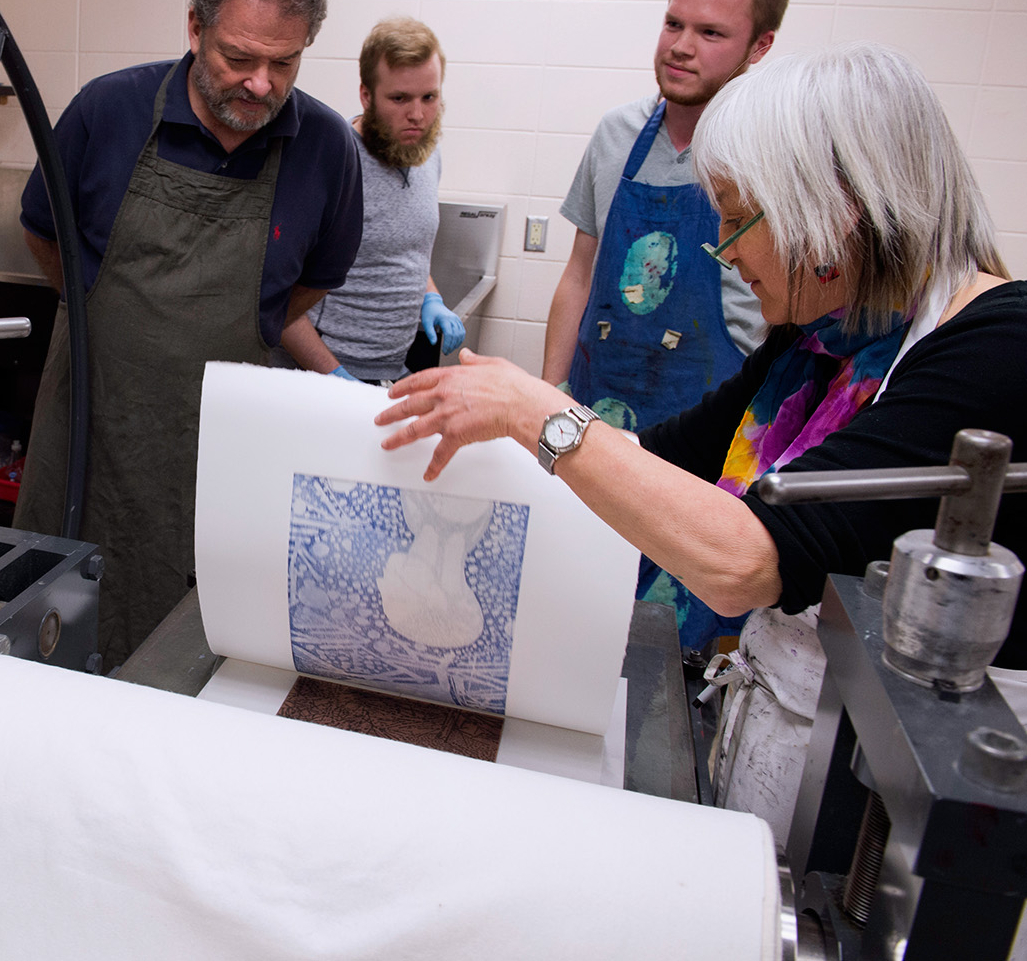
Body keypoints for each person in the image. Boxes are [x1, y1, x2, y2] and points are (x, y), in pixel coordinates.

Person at [376, 42, 1024, 845]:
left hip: (901, 805)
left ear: (835, 210)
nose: (724, 247)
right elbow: (655, 455)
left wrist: (540, 415)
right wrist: (496, 439)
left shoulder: (997, 346)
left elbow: (748, 563)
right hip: (791, 734)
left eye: (738, 216)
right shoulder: (822, 341)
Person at [14, 0, 363, 669]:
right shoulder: (105, 114)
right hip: (90, 446)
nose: (261, 84)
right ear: (195, 26)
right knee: (57, 658)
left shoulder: (328, 151)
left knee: (191, 672)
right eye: (239, 57)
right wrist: (105, 313)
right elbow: (43, 234)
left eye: (285, 62)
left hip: (218, 471)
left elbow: (307, 288)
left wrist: (242, 324)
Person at [541, 0, 792, 648]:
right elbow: (579, 274)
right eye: (673, 23)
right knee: (576, 625)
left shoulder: (767, 159)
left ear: (758, 45)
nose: (681, 47)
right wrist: (551, 393)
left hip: (705, 456)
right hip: (599, 427)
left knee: (672, 655)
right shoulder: (618, 135)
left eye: (711, 33)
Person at [279, 16, 463, 384]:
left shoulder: (426, 153)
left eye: (429, 97)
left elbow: (402, 248)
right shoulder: (331, 163)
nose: (417, 115)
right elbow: (278, 300)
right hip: (322, 375)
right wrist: (333, 374)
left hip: (392, 372)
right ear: (366, 95)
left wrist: (431, 297)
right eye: (399, 98)